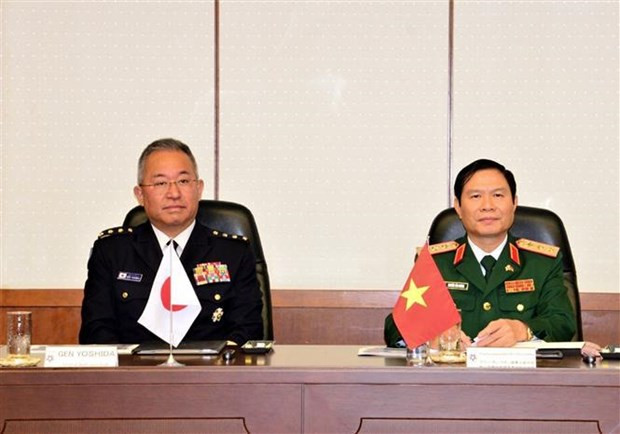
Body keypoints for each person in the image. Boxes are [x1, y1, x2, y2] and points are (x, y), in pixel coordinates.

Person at [79, 138, 263, 345]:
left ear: (199, 188)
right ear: (140, 195)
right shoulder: (112, 252)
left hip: (213, 366)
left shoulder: (233, 253)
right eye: (160, 183)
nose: (174, 194)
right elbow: (96, 332)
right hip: (134, 366)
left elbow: (249, 331)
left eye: (183, 181)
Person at [385, 159, 577, 348]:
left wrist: (523, 330)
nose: (488, 205)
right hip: (452, 368)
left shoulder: (542, 263)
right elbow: (395, 328)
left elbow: (563, 323)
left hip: (519, 369)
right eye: (476, 196)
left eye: (498, 195)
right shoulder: (435, 262)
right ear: (458, 207)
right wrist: (432, 336)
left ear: (514, 203)